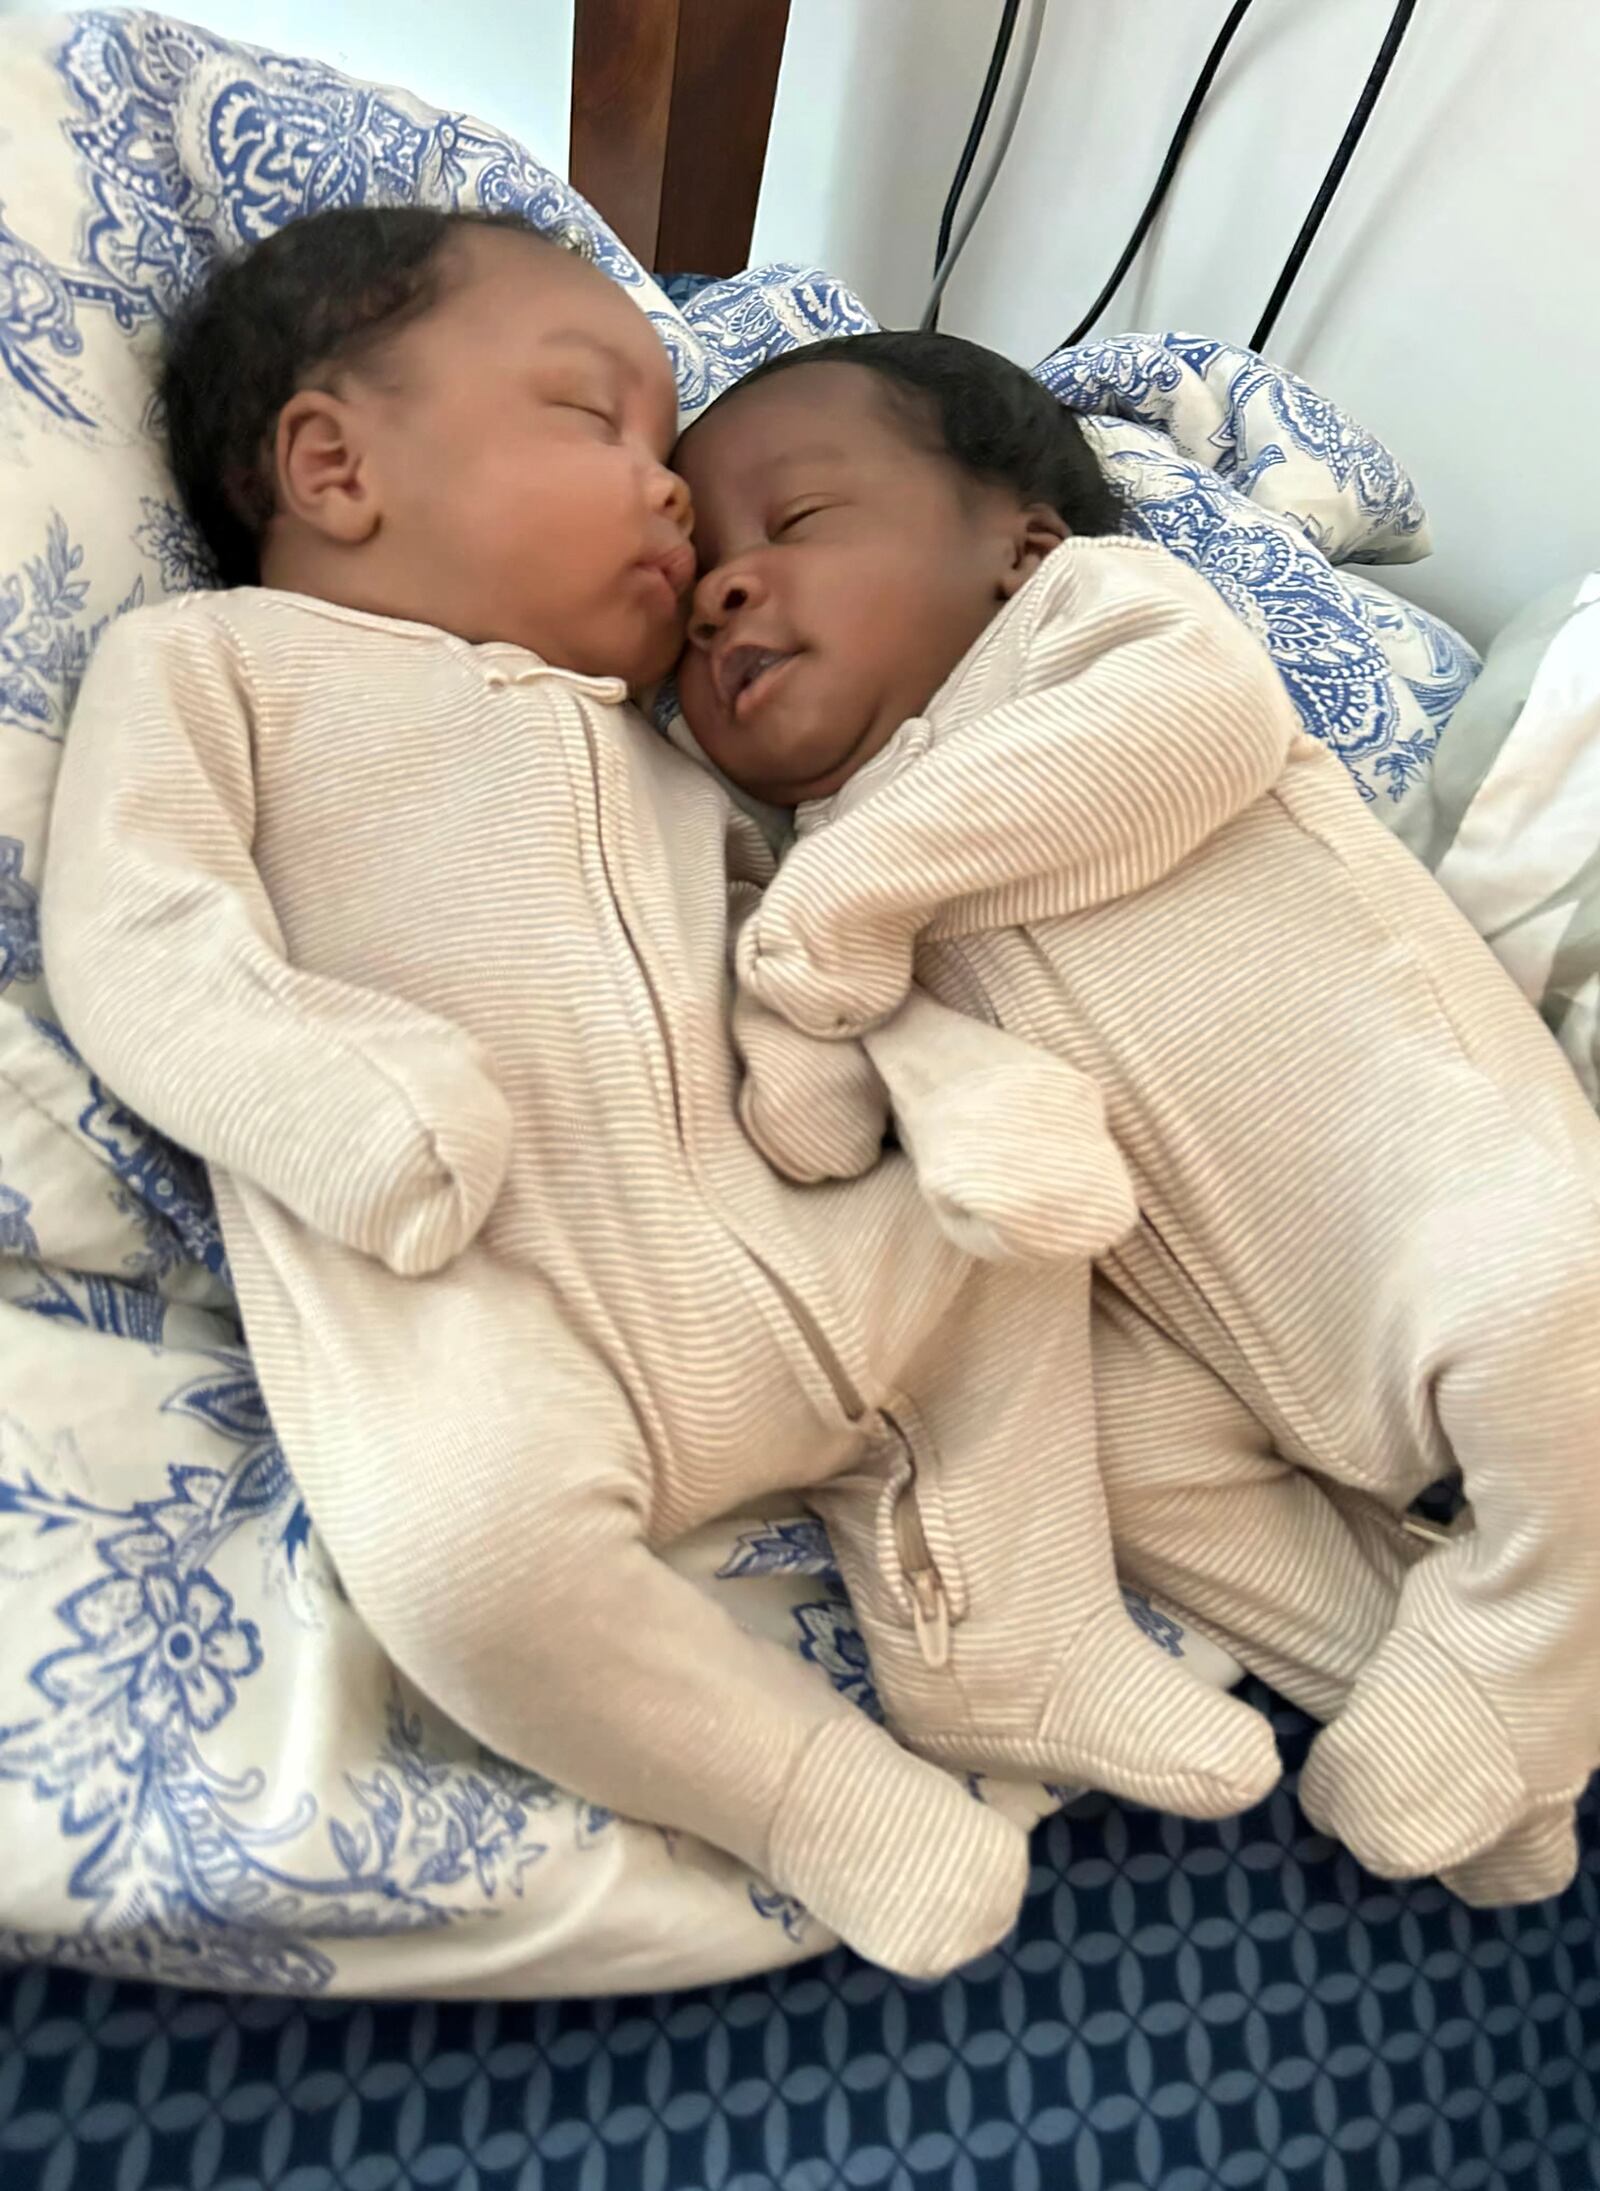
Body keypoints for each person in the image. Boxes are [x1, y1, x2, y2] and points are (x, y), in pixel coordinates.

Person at [41, 211, 1285, 1979]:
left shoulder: (663, 753)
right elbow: (139, 929)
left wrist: (940, 1081)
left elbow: (793, 954)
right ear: (333, 464)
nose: (673, 493)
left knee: (1018, 1237)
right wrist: (332, 1093)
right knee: (458, 1555)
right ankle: (803, 1791)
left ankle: (1017, 1624)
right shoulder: (219, 670)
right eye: (593, 419)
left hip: (789, 1240)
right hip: (484, 1287)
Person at [675, 330, 1600, 1905]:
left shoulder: (1100, 628)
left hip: (1415, 1168)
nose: (722, 588)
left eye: (796, 524)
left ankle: (1539, 1635)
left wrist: (846, 902)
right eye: (693, 574)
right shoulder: (815, 839)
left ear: (1017, 540)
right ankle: (1423, 1667)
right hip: (1183, 1318)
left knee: (1553, 1312)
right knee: (1113, 1459)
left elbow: (1197, 732)